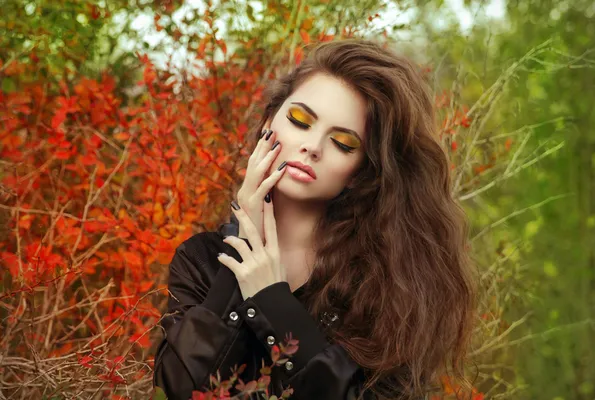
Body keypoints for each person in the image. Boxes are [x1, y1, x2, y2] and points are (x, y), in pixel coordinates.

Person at [153, 38, 476, 400]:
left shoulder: (385, 284)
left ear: (360, 171)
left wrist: (272, 302)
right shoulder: (200, 260)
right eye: (300, 120)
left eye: (343, 143)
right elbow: (176, 389)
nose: (313, 147)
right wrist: (244, 244)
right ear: (267, 122)